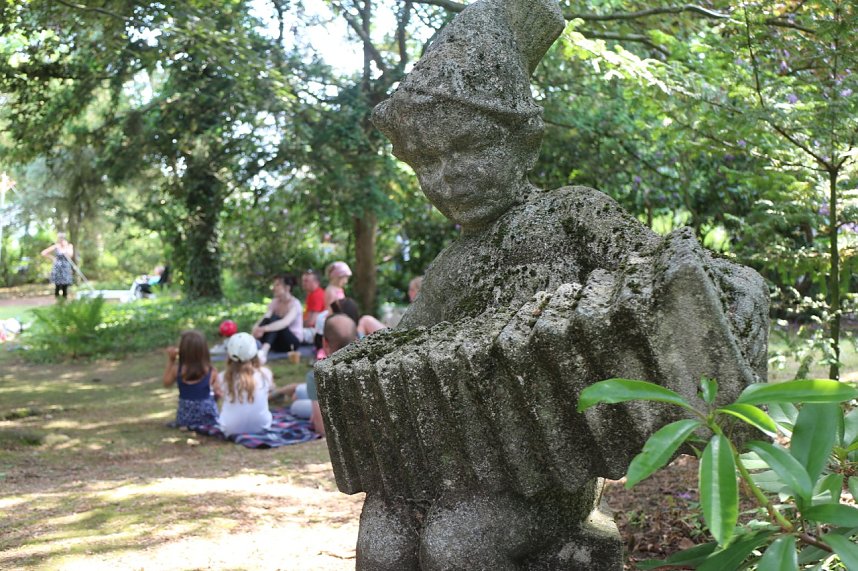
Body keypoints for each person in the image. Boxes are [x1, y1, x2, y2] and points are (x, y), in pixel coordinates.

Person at [283, 314, 357, 435]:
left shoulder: (317, 375)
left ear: (324, 343)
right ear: (356, 339)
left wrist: (316, 415)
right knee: (299, 391)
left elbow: (322, 429)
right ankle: (281, 393)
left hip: (333, 409)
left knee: (295, 405)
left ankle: (278, 394)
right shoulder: (368, 363)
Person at [216, 332, 274, 436]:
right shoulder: (265, 374)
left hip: (230, 429)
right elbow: (271, 389)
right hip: (261, 426)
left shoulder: (222, 377)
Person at [163, 330, 221, 428]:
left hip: (184, 419)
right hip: (208, 419)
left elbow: (166, 383)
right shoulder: (211, 371)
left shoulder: (177, 370)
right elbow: (218, 393)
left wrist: (171, 361)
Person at [252, 273, 303, 363]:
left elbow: (284, 323)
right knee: (271, 319)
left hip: (291, 343)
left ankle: (264, 351)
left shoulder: (295, 304)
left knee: (276, 319)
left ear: (287, 288)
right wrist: (256, 328)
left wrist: (264, 329)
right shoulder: (275, 302)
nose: (273, 288)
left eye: (277, 285)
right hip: (277, 341)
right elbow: (266, 317)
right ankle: (251, 343)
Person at [41, 233, 74, 298]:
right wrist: (53, 258)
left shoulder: (69, 246)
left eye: (62, 238)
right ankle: (57, 299)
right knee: (57, 284)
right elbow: (44, 253)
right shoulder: (56, 246)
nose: (61, 239)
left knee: (65, 284)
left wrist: (65, 247)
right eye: (60, 238)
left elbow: (70, 255)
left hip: (65, 268)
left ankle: (64, 299)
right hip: (58, 267)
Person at [301, 269, 325, 344]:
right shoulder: (311, 294)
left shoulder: (317, 295)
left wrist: (297, 324)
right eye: (303, 280)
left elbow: (311, 322)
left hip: (315, 331)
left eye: (306, 281)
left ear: (316, 282)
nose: (303, 283)